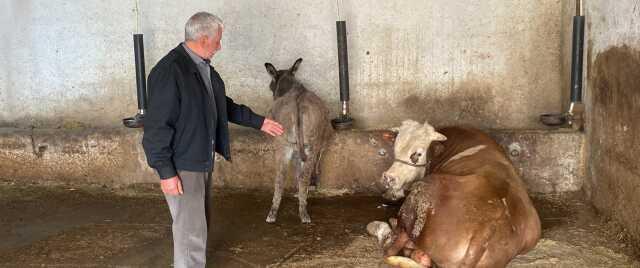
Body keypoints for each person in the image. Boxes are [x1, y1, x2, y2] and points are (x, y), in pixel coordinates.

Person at [142, 12, 284, 268]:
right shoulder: (170, 71)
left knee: (198, 224)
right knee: (190, 232)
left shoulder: (201, 68)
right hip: (183, 163)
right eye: (218, 40)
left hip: (200, 158)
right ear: (204, 38)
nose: (220, 46)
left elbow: (222, 105)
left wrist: (259, 121)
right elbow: (156, 127)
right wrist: (166, 172)